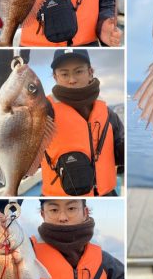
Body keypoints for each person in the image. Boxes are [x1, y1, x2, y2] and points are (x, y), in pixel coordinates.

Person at [41, 49, 124, 196]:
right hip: (61, 198)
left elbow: (121, 154)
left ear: (90, 72)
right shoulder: (42, 112)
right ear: (55, 77)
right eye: (64, 74)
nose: (72, 79)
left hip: (106, 194)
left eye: (78, 72)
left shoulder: (108, 114)